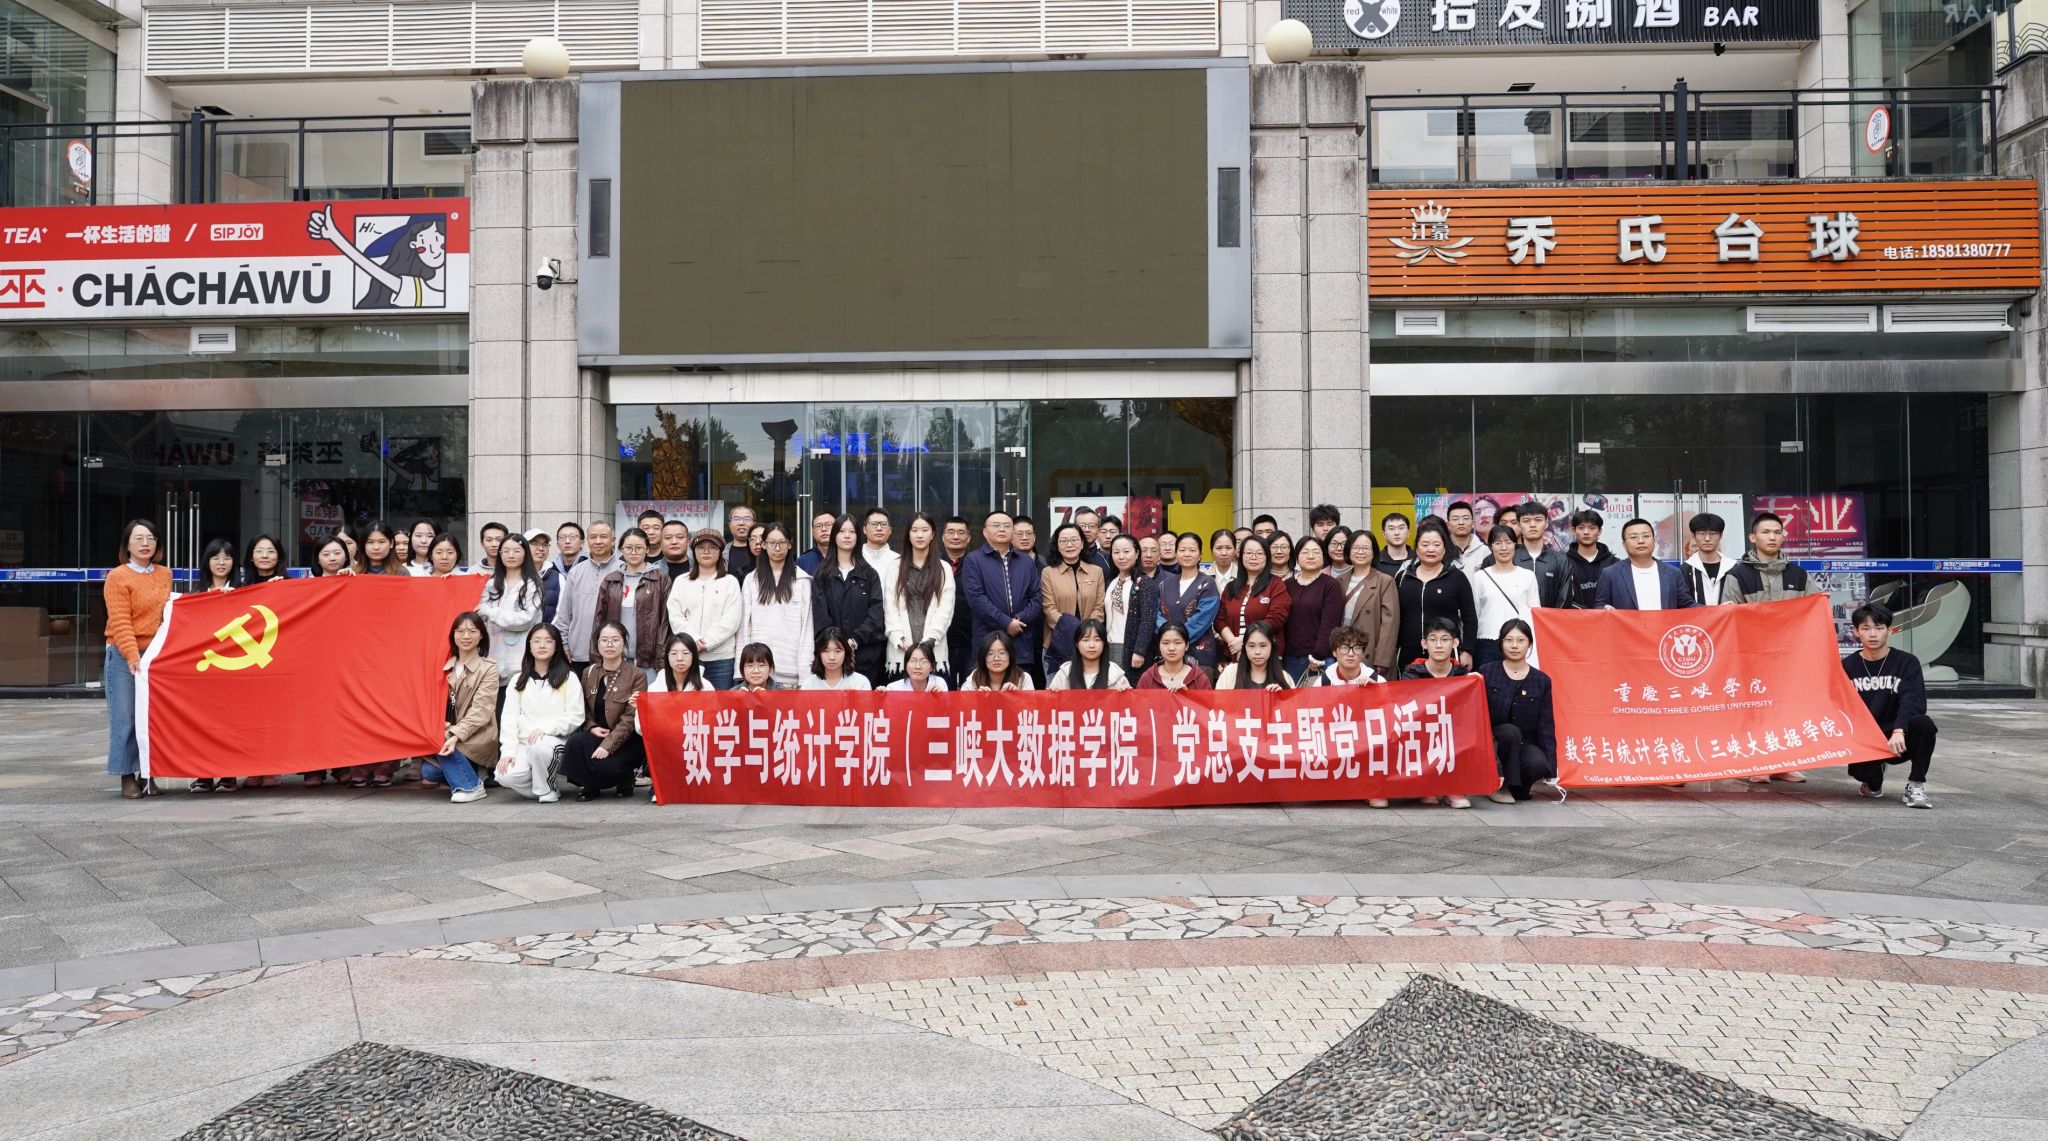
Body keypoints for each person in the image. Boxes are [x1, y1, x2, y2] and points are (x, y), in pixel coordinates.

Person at [1843, 602, 1937, 809]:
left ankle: (1916, 783)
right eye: (1866, 628)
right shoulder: (1847, 666)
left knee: (1924, 724)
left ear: (1890, 630)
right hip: (1866, 737)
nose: (1873, 634)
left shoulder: (1906, 662)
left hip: (1898, 736)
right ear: (1856, 632)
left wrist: (1899, 729)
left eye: (1879, 628)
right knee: (1872, 786)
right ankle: (1873, 777)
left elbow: (1912, 701)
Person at [104, 519, 169, 800]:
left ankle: (148, 774)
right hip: (123, 655)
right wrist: (132, 656)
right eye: (138, 538)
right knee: (126, 717)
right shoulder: (118, 577)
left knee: (152, 717)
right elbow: (120, 621)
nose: (145, 543)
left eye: (151, 538)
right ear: (127, 544)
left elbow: (170, 613)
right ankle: (126, 775)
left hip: (156, 655)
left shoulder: (164, 574)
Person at [555, 621, 648, 802]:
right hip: (598, 733)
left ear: (624, 642)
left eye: (615, 640)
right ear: (597, 644)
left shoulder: (637, 675)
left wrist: (607, 746)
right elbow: (583, 707)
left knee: (607, 766)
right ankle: (590, 785)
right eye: (604, 640)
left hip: (626, 739)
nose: (609, 644)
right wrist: (591, 727)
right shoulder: (588, 672)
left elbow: (630, 718)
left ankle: (625, 778)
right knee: (575, 743)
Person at [497, 624, 582, 802]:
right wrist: (508, 752)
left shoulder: (568, 678)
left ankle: (548, 788)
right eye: (536, 641)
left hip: (556, 741)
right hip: (524, 743)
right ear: (529, 646)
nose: (542, 645)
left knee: (540, 747)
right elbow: (509, 720)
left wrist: (545, 729)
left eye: (548, 641)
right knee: (504, 775)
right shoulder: (518, 680)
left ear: (556, 646)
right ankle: (541, 786)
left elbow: (576, 716)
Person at [1399, 617, 1474, 810]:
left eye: (1445, 639)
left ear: (1455, 643)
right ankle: (1427, 784)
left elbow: (1474, 718)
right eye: (1433, 639)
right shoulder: (1412, 673)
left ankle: (1454, 788)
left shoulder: (1463, 676)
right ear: (1424, 644)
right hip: (1423, 732)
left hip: (1453, 734)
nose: (1438, 645)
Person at [1479, 618, 1557, 805]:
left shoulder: (1541, 680)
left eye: (1521, 640)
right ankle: (1500, 786)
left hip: (1524, 744)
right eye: (1509, 640)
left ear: (1529, 644)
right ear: (1501, 643)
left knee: (1539, 764)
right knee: (1509, 732)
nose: (1514, 645)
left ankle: (1517, 787)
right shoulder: (1487, 672)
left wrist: (1552, 770)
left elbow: (1546, 726)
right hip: (1495, 743)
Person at [424, 612, 498, 804]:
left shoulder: (488, 668)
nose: (466, 636)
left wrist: (454, 735)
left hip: (476, 736)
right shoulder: (443, 666)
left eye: (472, 631)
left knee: (441, 744)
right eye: (460, 631)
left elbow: (481, 711)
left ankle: (470, 786)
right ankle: (471, 773)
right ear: (453, 635)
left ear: (481, 636)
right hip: (448, 733)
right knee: (428, 772)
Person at [960, 510, 1042, 682]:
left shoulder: (1025, 561)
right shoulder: (973, 560)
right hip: (987, 642)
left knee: (1019, 691)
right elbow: (976, 599)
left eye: (1006, 525)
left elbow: (1036, 597)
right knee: (986, 693)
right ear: (985, 532)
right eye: (996, 525)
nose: (1002, 529)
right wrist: (1006, 622)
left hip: (1020, 639)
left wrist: (1018, 620)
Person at [812, 514, 887, 685]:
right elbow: (820, 615)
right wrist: (836, 645)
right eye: (842, 531)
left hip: (865, 657)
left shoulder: (869, 574)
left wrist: (854, 641)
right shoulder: (822, 574)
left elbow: (876, 615)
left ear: (858, 537)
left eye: (852, 532)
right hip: (831, 658)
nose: (847, 536)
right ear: (834, 536)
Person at [738, 521, 814, 686]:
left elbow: (807, 628)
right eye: (772, 543)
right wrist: (742, 668)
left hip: (791, 667)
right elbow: (744, 626)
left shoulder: (802, 580)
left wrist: (805, 673)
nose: (777, 548)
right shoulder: (752, 580)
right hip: (758, 668)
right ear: (764, 545)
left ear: (790, 544)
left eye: (782, 543)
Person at [667, 529, 743, 690]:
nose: (706, 552)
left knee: (720, 703)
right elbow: (675, 615)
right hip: (688, 656)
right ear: (693, 551)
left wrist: (706, 643)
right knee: (689, 702)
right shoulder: (681, 581)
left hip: (721, 659)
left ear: (720, 551)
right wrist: (693, 640)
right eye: (701, 547)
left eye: (712, 547)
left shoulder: (730, 582)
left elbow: (731, 620)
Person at [885, 512, 956, 681]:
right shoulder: (895, 567)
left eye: (925, 530)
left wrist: (928, 642)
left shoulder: (943, 568)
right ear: (908, 535)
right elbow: (890, 608)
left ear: (932, 534)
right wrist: (901, 640)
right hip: (901, 654)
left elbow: (945, 610)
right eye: (914, 530)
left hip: (934, 652)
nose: (919, 535)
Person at [1395, 527, 1475, 671]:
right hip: (1408, 651)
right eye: (1425, 545)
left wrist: (1468, 651)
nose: (1431, 549)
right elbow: (1394, 618)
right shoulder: (1403, 578)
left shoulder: (1457, 577)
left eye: (1437, 545)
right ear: (1417, 549)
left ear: (1444, 549)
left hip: (1446, 652)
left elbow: (1469, 617)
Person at [593, 528, 669, 669]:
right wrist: (597, 659)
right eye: (628, 548)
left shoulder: (660, 578)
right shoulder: (611, 580)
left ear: (647, 550)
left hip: (649, 660)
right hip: (615, 657)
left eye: (639, 548)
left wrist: (661, 659)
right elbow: (599, 619)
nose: (633, 552)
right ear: (621, 550)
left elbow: (665, 622)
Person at [1040, 522, 1105, 677]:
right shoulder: (1048, 572)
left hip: (1090, 643)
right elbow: (1049, 609)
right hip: (1056, 642)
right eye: (1063, 541)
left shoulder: (1096, 571)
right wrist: (1072, 630)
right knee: (1057, 689)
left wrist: (1086, 634)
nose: (1069, 545)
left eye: (1074, 540)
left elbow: (1099, 607)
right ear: (1057, 545)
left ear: (1082, 543)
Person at [477, 532, 544, 684]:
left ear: (525, 553)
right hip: (492, 665)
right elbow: (479, 615)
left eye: (516, 551)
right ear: (500, 554)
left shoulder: (533, 584)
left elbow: (525, 620)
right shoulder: (491, 584)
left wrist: (491, 612)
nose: (511, 555)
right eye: (506, 551)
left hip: (523, 666)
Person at [1218, 534, 1292, 669]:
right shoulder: (1231, 587)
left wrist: (1245, 641)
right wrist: (1232, 641)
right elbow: (1219, 618)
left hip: (1267, 657)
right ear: (1241, 556)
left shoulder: (1276, 585)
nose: (1253, 557)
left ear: (1267, 557)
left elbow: (1276, 617)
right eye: (1249, 553)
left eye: (1259, 553)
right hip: (1235, 656)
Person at [1472, 525, 1542, 667]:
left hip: (1519, 643)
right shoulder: (1480, 577)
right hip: (1487, 643)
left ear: (1515, 545)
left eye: (1508, 542)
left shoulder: (1527, 576)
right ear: (1491, 547)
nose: (1504, 548)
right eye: (1498, 543)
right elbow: (1474, 613)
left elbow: (1535, 612)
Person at [556, 519, 619, 673]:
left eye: (603, 536)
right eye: (593, 537)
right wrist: (564, 646)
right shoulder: (576, 572)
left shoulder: (623, 569)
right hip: (579, 653)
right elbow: (564, 615)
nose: (598, 541)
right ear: (586, 542)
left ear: (613, 541)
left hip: (615, 653)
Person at [1596, 518, 1698, 611]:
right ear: (1624, 544)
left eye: (1646, 536)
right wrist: (1604, 609)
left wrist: (1707, 612)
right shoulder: (1611, 573)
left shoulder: (1673, 572)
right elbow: (1600, 606)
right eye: (1633, 537)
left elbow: (1687, 605)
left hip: (1664, 626)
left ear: (1654, 540)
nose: (1641, 541)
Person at [1337, 531, 1400, 678]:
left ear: (1373, 552)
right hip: (1344, 652)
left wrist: (1383, 659)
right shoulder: (1339, 580)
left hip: (1372, 654)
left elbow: (1390, 624)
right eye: (1355, 547)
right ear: (1348, 550)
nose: (1360, 552)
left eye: (1366, 548)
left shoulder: (1385, 581)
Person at [1282, 535, 1343, 682]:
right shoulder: (1287, 585)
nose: (1310, 556)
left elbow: (1329, 623)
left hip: (1321, 659)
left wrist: (1318, 655)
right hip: (1290, 658)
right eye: (1305, 552)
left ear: (1323, 556)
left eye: (1316, 552)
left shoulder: (1331, 585)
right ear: (1297, 558)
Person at [1158, 532, 1221, 672]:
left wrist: (1174, 640)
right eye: (1182, 550)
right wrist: (1169, 640)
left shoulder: (1208, 583)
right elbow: (1157, 615)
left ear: (1200, 555)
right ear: (1176, 553)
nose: (1187, 554)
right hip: (1168, 657)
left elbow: (1202, 620)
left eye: (1192, 550)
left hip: (1199, 657)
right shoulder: (1165, 584)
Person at [1724, 511, 1814, 605]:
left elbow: (1814, 608)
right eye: (1765, 532)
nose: (1772, 537)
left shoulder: (1799, 575)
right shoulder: (1738, 576)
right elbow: (1730, 612)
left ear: (1782, 538)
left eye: (1777, 532)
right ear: (1753, 538)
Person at [1104, 534, 1159, 678]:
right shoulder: (1110, 582)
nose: (1121, 556)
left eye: (1126, 551)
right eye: (1116, 552)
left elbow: (1148, 620)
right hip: (1109, 644)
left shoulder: (1144, 582)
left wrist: (1139, 650)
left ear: (1137, 554)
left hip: (1131, 647)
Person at [1513, 501, 1569, 608]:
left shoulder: (1560, 560)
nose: (1532, 525)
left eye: (1538, 520)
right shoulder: (1510, 558)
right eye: (1526, 521)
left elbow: (1564, 600)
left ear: (1546, 523)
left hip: (1549, 618)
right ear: (1519, 525)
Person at [1046, 618, 1130, 690]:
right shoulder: (1065, 672)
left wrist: (1126, 694)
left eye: (1097, 640)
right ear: (1077, 644)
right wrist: (1052, 693)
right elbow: (1051, 702)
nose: (1091, 645)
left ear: (1104, 644)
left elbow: (1128, 702)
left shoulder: (1115, 673)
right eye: (1085, 640)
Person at [940, 515, 975, 684]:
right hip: (941, 641)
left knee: (971, 690)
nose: (955, 536)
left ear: (968, 538)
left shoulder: (976, 564)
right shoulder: (934, 564)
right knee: (943, 690)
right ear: (942, 537)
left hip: (971, 641)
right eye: (951, 532)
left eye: (961, 533)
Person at [1563, 509, 1618, 609]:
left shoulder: (1614, 563)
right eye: (1581, 528)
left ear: (1599, 531)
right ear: (1574, 531)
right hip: (1575, 617)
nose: (1586, 532)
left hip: (1608, 617)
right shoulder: (1564, 563)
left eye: (1592, 528)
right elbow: (1562, 598)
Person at [1136, 622, 1212, 690]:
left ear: (1186, 646)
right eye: (1165, 643)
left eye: (1177, 643)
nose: (1171, 648)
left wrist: (1187, 696)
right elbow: (1137, 700)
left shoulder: (1199, 678)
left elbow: (1207, 701)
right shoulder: (1148, 678)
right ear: (1159, 645)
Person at [1216, 622, 1292, 690]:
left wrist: (1281, 697)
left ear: (1272, 647)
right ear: (1244, 647)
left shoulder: (1285, 677)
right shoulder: (1230, 673)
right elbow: (1219, 700)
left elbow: (1293, 701)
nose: (1257, 652)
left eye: (1263, 645)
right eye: (1251, 646)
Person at [1682, 512, 1735, 607]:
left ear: (1721, 536)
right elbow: (1683, 602)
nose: (1707, 539)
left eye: (1713, 533)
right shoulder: (1685, 570)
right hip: (1695, 617)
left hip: (1728, 617)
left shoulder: (1733, 567)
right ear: (1693, 536)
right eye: (1702, 533)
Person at [959, 630, 1035, 691]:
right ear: (983, 657)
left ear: (1010, 655)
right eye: (990, 654)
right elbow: (962, 703)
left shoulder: (1023, 678)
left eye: (1002, 653)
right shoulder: (975, 677)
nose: (996, 658)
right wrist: (976, 699)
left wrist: (1018, 697)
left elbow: (1031, 705)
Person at [802, 627, 873, 691]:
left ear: (846, 653)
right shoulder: (809, 685)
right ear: (819, 653)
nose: (832, 657)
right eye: (826, 651)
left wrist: (854, 698)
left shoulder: (861, 683)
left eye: (838, 651)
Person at [542, 521, 584, 625]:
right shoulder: (549, 571)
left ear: (582, 543)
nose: (567, 541)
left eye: (572, 537)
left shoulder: (589, 568)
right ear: (557, 544)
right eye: (562, 537)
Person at [1319, 625, 1385, 686]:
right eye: (1344, 648)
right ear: (1334, 652)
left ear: (1363, 653)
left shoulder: (1378, 681)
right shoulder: (1322, 683)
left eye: (1357, 648)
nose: (1351, 654)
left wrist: (1375, 690)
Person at [884, 641, 950, 692]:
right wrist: (881, 695)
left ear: (932, 667)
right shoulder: (893, 688)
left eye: (924, 662)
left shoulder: (939, 683)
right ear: (905, 666)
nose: (918, 667)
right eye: (913, 661)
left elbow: (946, 705)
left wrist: (941, 698)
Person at [1444, 501, 1489, 574]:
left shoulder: (1485, 552)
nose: (1461, 522)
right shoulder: (1441, 551)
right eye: (1455, 519)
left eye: (1466, 518)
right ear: (1448, 525)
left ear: (1473, 524)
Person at [859, 508, 899, 580]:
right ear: (864, 529)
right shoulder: (854, 557)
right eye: (873, 524)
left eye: (883, 524)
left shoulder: (898, 560)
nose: (879, 528)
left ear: (890, 530)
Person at [1073, 509, 1114, 576]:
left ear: (1099, 530)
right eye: (1082, 526)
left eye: (1092, 526)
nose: (1087, 530)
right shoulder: (1063, 557)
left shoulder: (1108, 560)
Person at [1377, 512, 1417, 578]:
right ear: (1384, 534)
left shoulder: (1417, 559)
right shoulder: (1375, 560)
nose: (1396, 533)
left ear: (1408, 532)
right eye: (1391, 528)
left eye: (1401, 528)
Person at [798, 510, 836, 576]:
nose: (824, 529)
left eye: (828, 525)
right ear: (813, 532)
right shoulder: (803, 561)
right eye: (818, 526)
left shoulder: (846, 557)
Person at [725, 506, 758, 577]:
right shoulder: (721, 553)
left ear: (754, 525)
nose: (741, 523)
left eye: (747, 519)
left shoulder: (764, 551)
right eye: (736, 519)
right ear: (730, 525)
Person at [657, 519, 693, 584]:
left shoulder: (700, 568)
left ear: (688, 542)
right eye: (668, 538)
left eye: (680, 537)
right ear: (661, 543)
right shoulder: (651, 571)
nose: (674, 542)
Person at [1206, 528, 1240, 594]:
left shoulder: (1244, 576)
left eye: (1228, 548)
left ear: (1235, 550)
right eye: (1219, 548)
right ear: (1211, 551)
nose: (1224, 553)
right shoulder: (1202, 577)